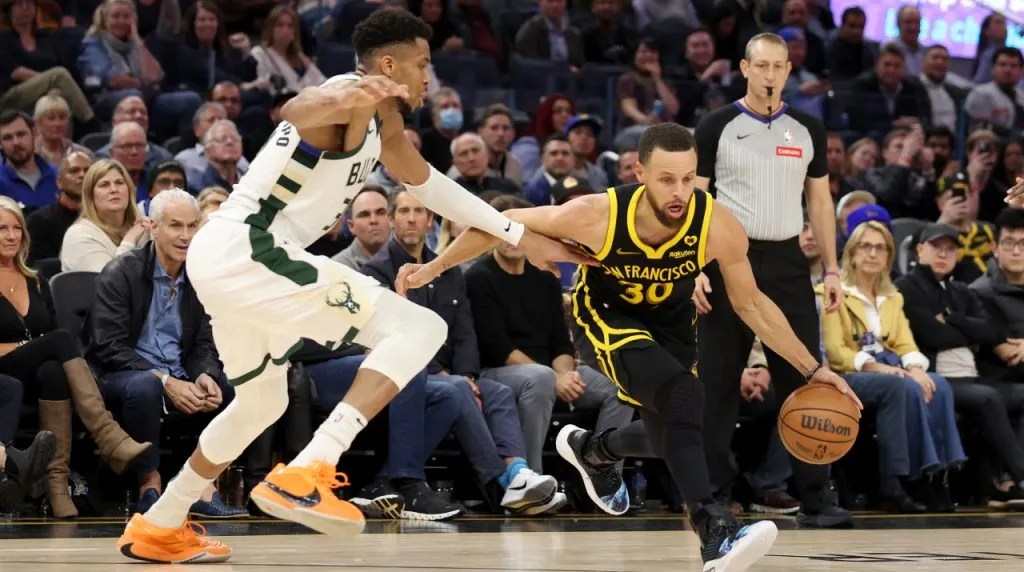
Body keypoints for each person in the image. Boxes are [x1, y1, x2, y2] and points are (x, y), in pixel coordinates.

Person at [116, 9, 586, 563]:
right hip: (250, 246)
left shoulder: (383, 124)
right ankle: (312, 467)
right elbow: (296, 107)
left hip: (229, 261)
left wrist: (516, 230)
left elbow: (433, 186)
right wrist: (347, 94)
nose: (429, 78)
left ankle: (161, 521)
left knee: (260, 403)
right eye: (422, 64)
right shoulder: (347, 97)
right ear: (389, 65)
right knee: (421, 325)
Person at [397, 123, 863, 572]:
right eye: (665, 180)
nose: (678, 192)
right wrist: (433, 269)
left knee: (678, 429)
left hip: (671, 324)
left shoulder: (716, 225)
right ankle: (715, 528)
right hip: (604, 316)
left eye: (686, 178)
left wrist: (810, 369)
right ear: (639, 174)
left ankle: (598, 451)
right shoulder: (597, 213)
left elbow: (752, 304)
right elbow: (500, 222)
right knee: (686, 396)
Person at [690, 32, 851, 527]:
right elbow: (696, 200)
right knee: (718, 379)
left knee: (803, 374)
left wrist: (830, 267)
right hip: (725, 257)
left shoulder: (807, 128)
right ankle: (714, 496)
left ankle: (816, 497)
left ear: (787, 71)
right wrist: (693, 265)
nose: (769, 75)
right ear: (744, 67)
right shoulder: (717, 124)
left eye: (778, 67)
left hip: (786, 262)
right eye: (760, 66)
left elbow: (820, 202)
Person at [0, 196, 151, 518]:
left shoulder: (35, 280)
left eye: (16, 229)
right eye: (2, 229)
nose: (11, 236)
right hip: (3, 371)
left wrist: (36, 346)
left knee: (55, 371)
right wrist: (24, 347)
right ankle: (106, 433)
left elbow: (50, 334)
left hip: (34, 367)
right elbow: (52, 338)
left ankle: (56, 486)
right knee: (61, 341)